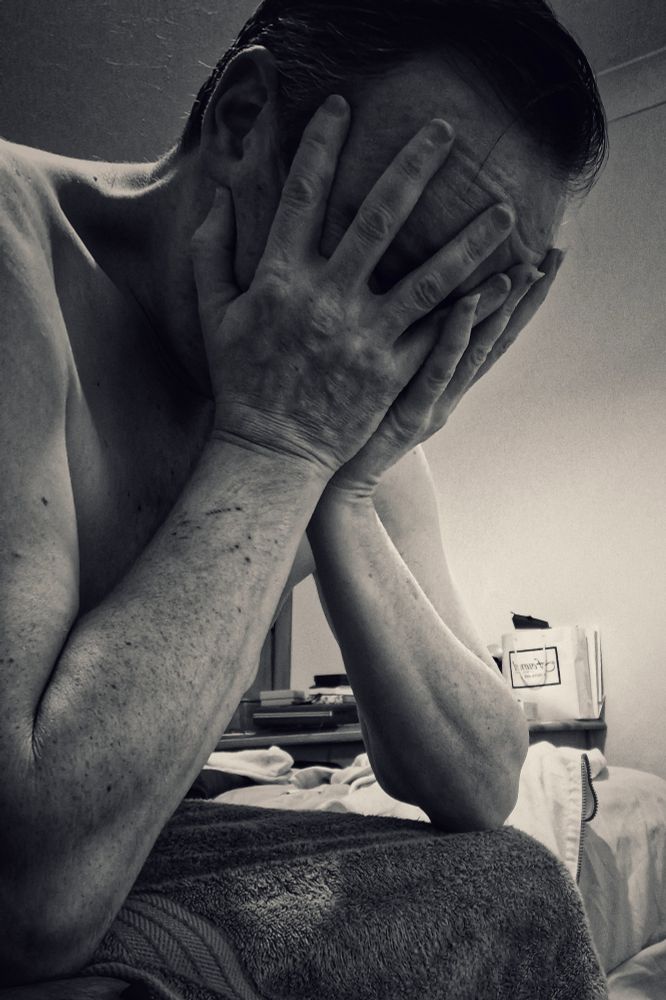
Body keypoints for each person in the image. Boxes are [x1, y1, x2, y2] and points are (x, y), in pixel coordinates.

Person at [0, 0, 606, 984]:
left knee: (518, 879)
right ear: (244, 121)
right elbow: (29, 898)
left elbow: (483, 782)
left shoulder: (340, 375)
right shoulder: (14, 247)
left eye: (470, 303)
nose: (403, 343)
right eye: (395, 253)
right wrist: (277, 442)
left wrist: (344, 482)